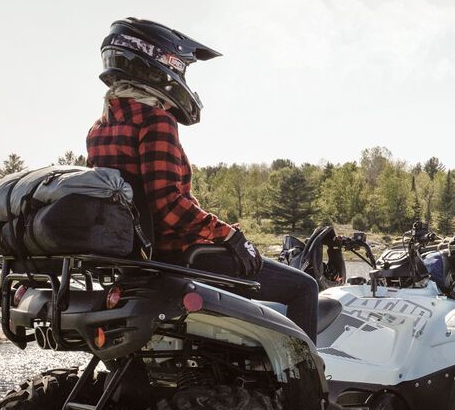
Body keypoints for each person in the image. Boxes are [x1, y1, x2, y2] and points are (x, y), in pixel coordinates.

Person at [86, 17, 321, 337]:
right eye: (182, 68)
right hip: (181, 256)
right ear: (161, 63)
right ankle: (305, 387)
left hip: (140, 259)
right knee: (304, 287)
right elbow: (168, 204)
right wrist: (231, 236)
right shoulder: (155, 119)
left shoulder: (99, 128)